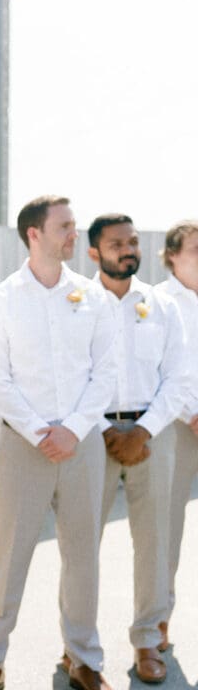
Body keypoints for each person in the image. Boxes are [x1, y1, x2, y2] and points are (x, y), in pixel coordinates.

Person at [0, 196, 116, 690]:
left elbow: (105, 372)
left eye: (74, 226)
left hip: (83, 444)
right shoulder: (3, 298)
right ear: (35, 234)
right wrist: (40, 432)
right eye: (66, 227)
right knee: (10, 555)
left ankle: (83, 658)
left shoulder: (93, 298)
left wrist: (72, 429)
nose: (75, 235)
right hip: (23, 446)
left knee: (83, 554)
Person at [86, 213, 189, 684]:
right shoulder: (78, 303)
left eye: (132, 242)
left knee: (154, 542)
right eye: (115, 243)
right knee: (81, 544)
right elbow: (68, 375)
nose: (127, 249)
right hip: (92, 434)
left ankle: (148, 640)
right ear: (94, 252)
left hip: (153, 433)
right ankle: (79, 647)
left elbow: (179, 378)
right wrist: (105, 428)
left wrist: (142, 432)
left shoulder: (160, 305)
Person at [154, 220, 198, 653]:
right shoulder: (158, 302)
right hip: (179, 428)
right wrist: (192, 412)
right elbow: (161, 371)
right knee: (168, 527)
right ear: (172, 255)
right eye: (196, 249)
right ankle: (158, 620)